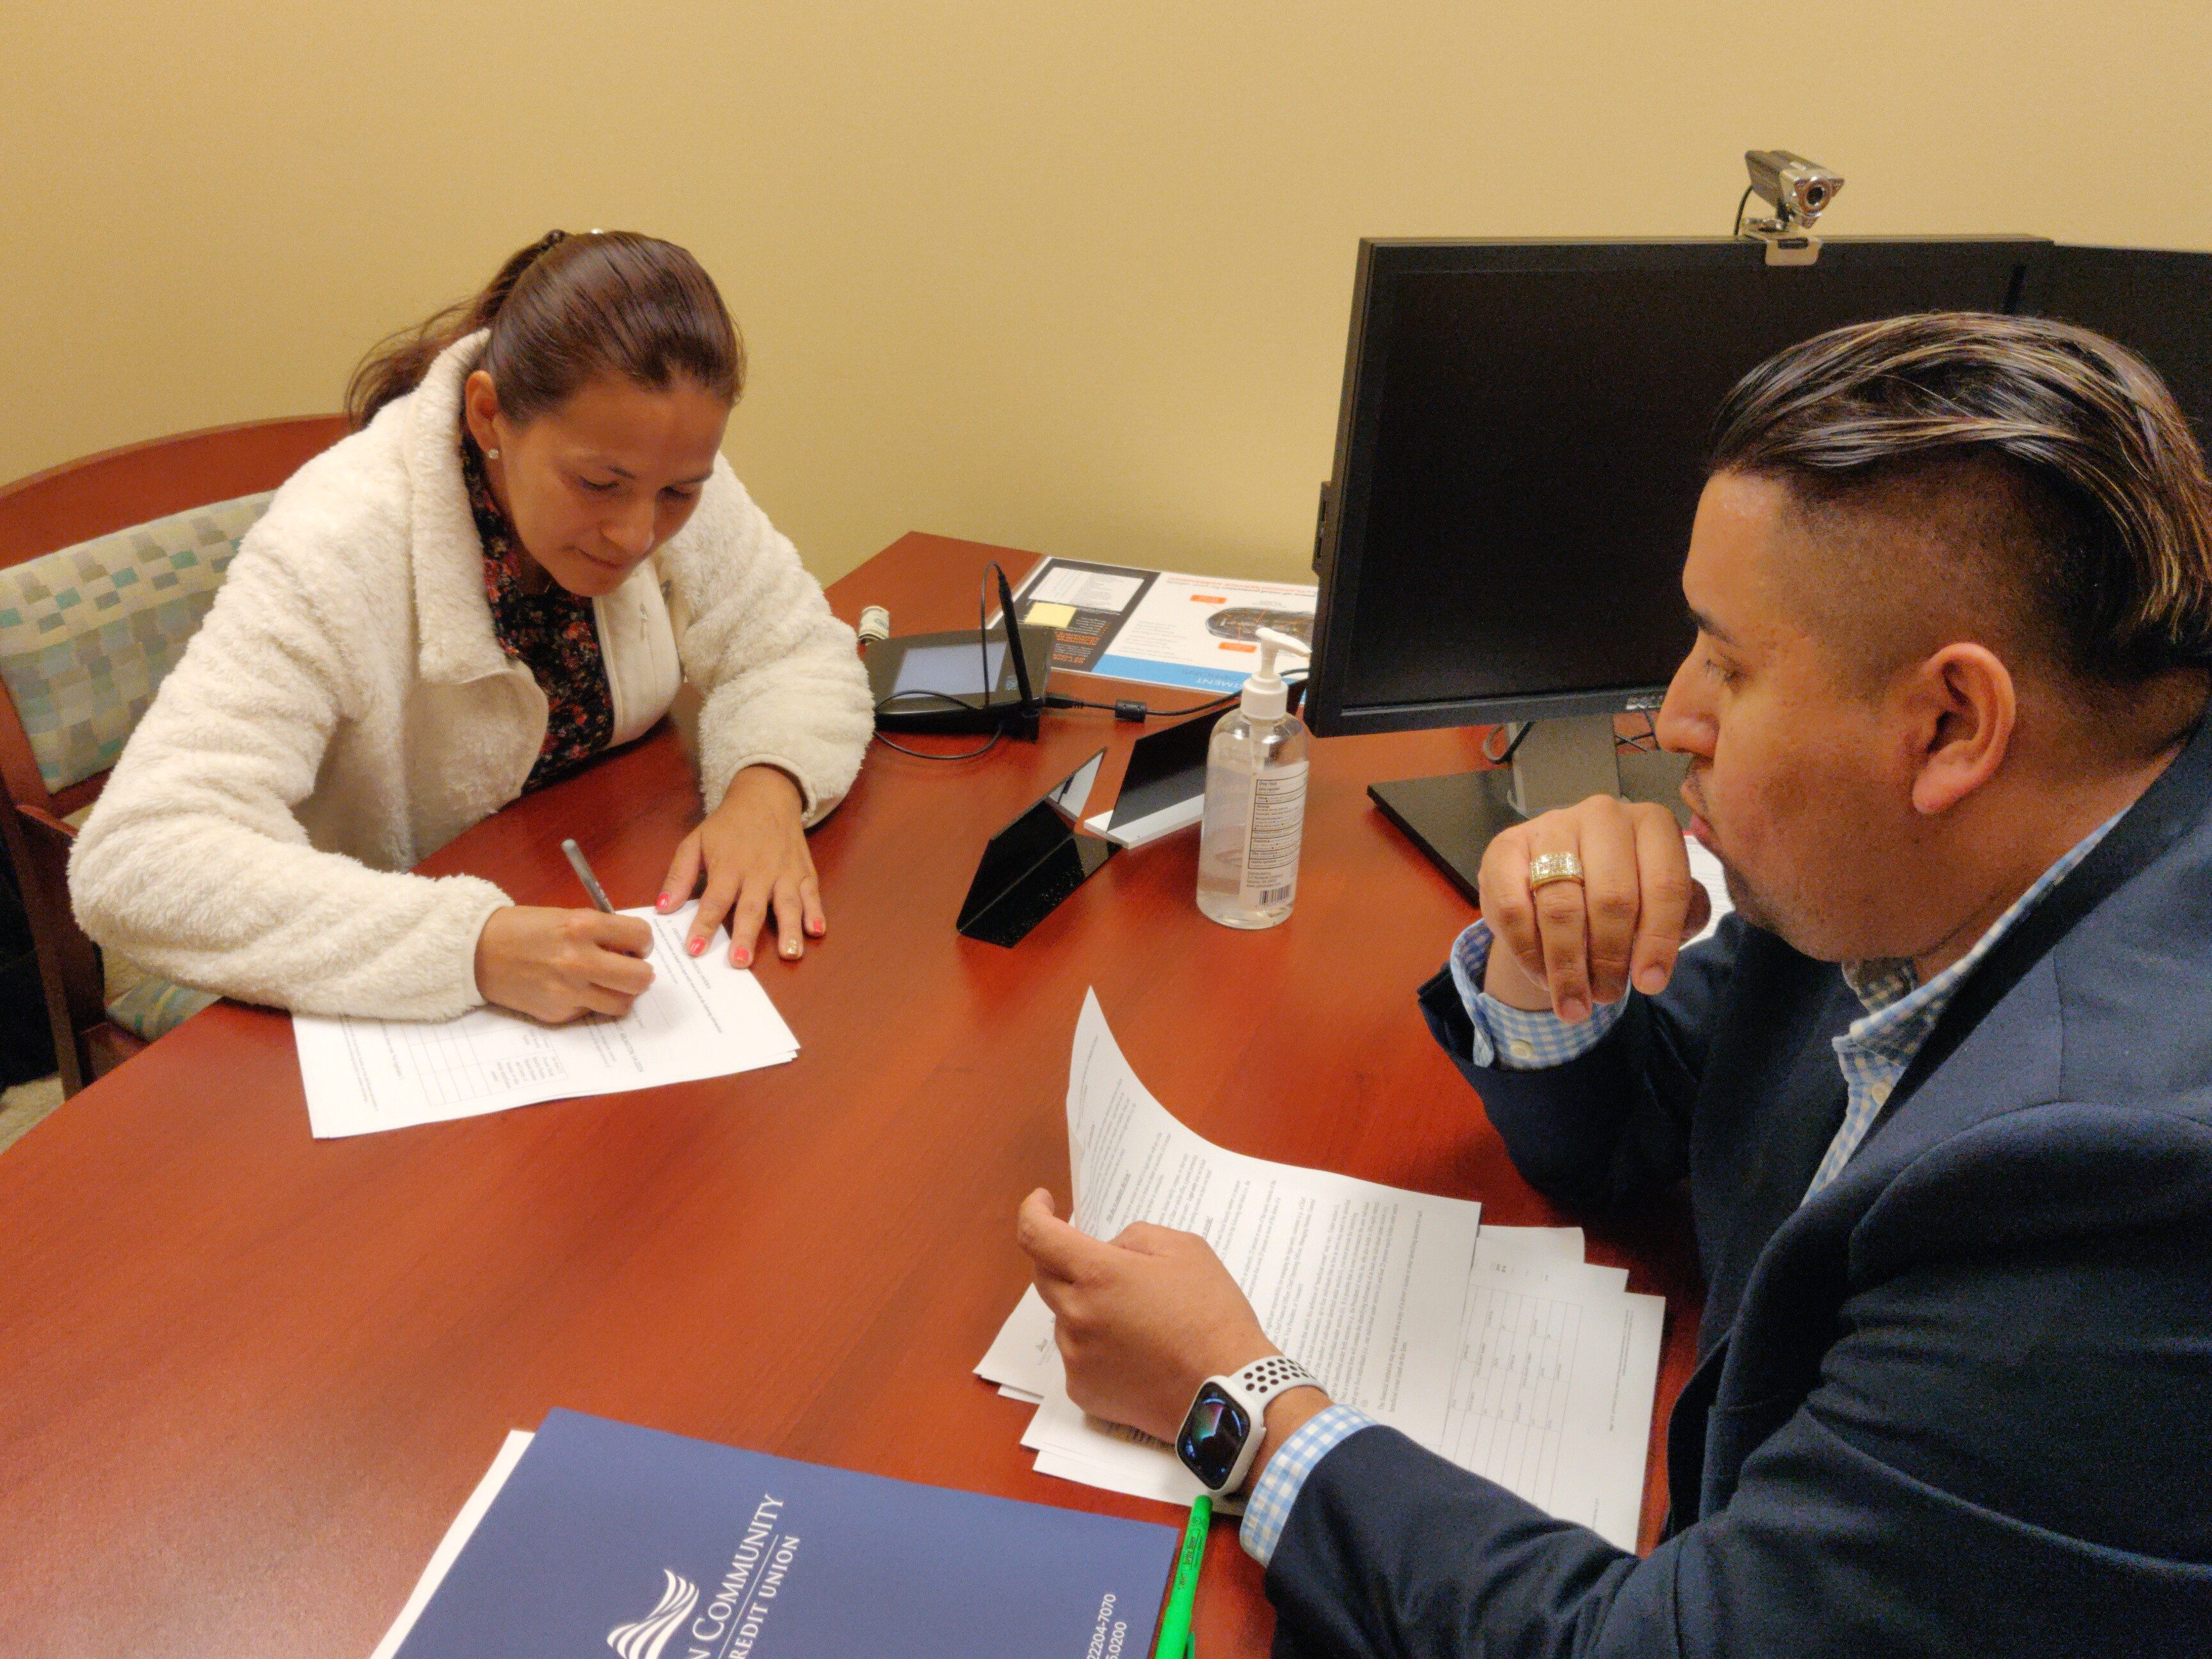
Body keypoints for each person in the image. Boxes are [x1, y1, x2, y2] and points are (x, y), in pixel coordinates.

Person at [1017, 313, 2212, 1655]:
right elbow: (1649, 1129)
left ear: (1949, 725)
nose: (1670, 713)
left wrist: (1236, 1405)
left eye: (1730, 661)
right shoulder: (1944, 851)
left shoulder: (2124, 1198)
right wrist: (1545, 968)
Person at [70, 231, 874, 1023]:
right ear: (489, 416)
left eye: (679, 494)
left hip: (575, 886)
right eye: (600, 484)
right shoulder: (338, 542)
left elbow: (792, 645)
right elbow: (139, 855)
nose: (637, 533)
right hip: (361, 982)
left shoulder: (652, 455)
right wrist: (468, 948)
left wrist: (768, 787)